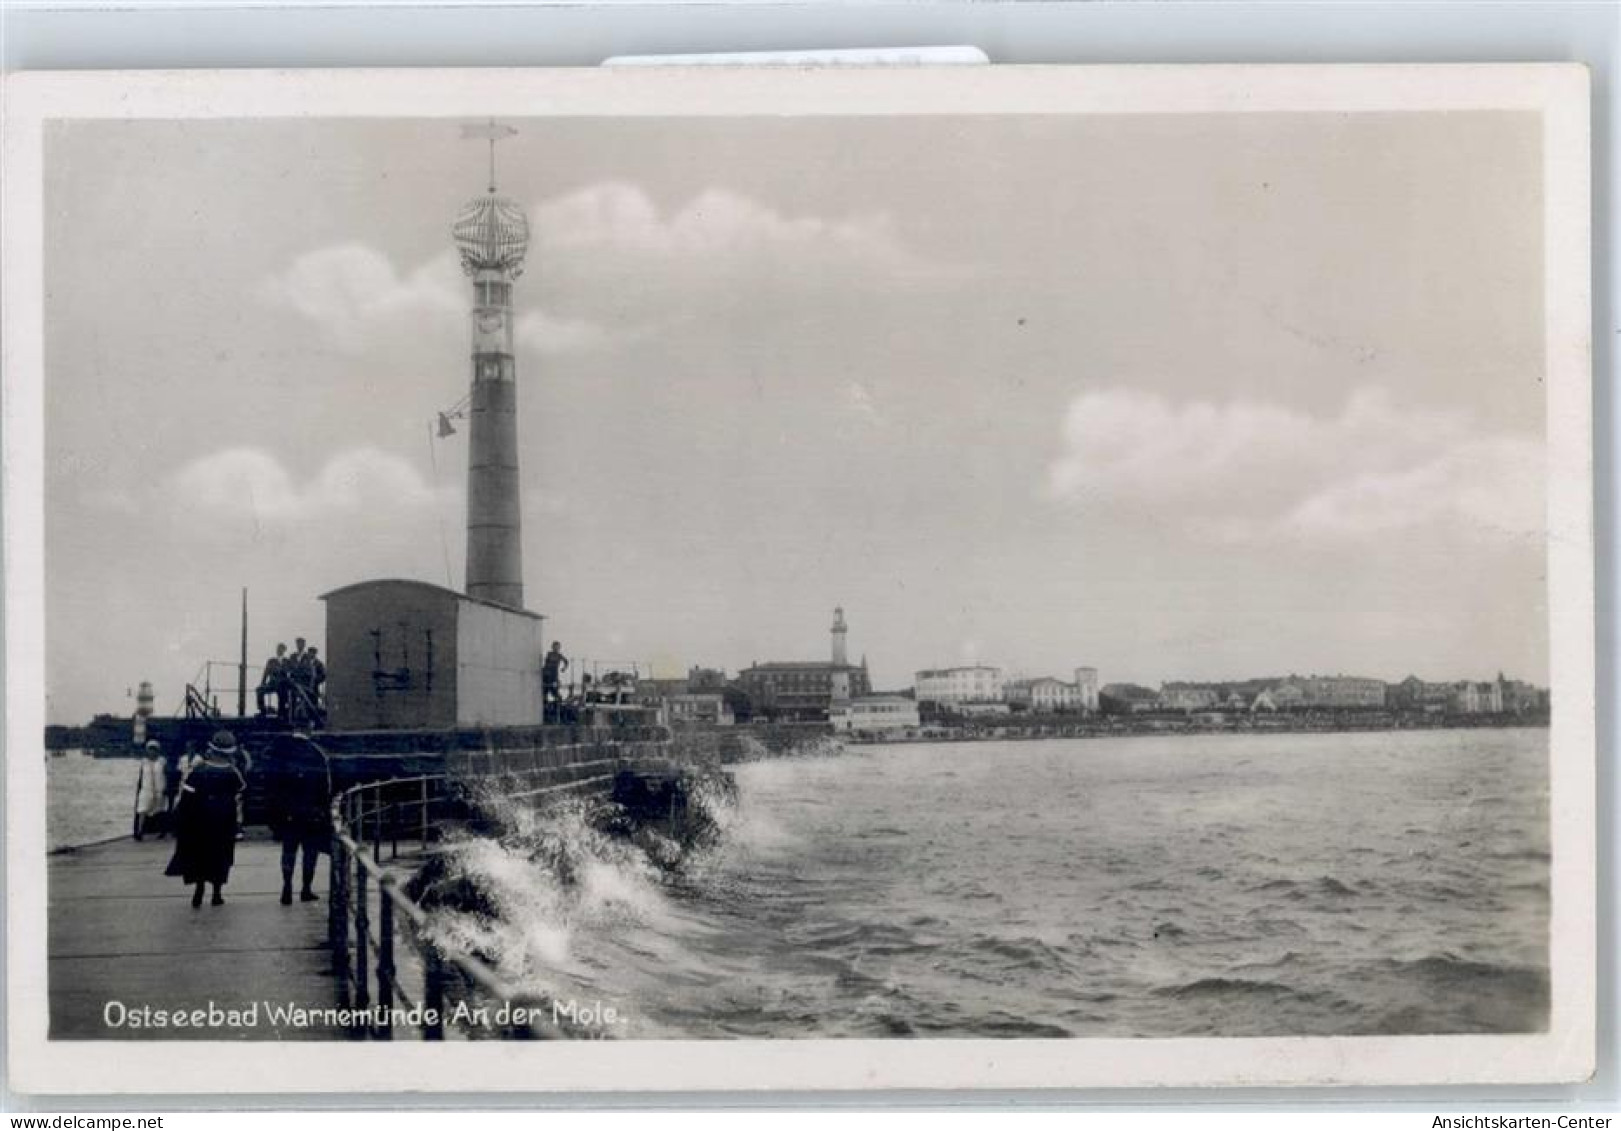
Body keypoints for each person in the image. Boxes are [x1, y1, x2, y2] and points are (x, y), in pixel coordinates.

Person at [164, 729, 246, 907]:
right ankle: (217, 894)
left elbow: (186, 797)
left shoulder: (199, 769)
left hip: (199, 821)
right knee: (221, 856)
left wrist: (180, 821)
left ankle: (199, 889)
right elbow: (240, 797)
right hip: (224, 822)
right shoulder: (233, 772)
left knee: (200, 855)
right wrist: (238, 824)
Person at [263, 738, 332, 905]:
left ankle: (287, 887)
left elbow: (272, 785)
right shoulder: (317, 753)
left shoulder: (282, 750)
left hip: (288, 812)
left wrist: (276, 814)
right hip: (310, 812)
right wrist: (324, 810)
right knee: (310, 852)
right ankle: (306, 889)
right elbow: (325, 786)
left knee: (288, 851)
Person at [132, 740, 167, 841]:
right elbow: (141, 776)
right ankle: (139, 832)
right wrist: (138, 789)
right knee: (142, 810)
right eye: (150, 749)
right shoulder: (144, 762)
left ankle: (162, 831)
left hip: (159, 788)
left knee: (160, 810)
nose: (152, 752)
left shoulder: (162, 761)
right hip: (146, 789)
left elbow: (166, 774)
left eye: (154, 749)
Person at [257, 643, 288, 719]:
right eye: (278, 649)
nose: (279, 651)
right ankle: (262, 710)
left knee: (282, 692)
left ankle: (281, 712)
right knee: (259, 690)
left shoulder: (287, 661)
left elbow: (290, 673)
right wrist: (263, 683)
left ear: (284, 651)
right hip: (272, 684)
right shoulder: (271, 661)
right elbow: (266, 672)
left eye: (281, 649)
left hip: (282, 684)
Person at [542, 641, 568, 719]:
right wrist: (545, 671)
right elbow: (546, 664)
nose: (556, 648)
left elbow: (566, 661)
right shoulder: (549, 654)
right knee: (545, 692)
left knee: (555, 693)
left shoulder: (559, 655)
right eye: (555, 646)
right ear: (552, 647)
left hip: (554, 676)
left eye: (557, 647)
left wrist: (564, 668)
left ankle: (556, 709)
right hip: (547, 676)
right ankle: (547, 708)